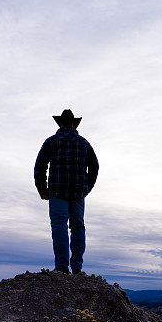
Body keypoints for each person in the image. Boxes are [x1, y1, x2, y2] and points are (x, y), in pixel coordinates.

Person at [34, 109, 99, 274]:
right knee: (78, 227)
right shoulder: (84, 143)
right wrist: (86, 188)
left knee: (59, 226)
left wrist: (42, 189)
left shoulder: (52, 141)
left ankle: (62, 268)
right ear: (73, 123)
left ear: (60, 123)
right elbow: (94, 167)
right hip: (78, 193)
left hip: (57, 191)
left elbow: (40, 165)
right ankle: (77, 267)